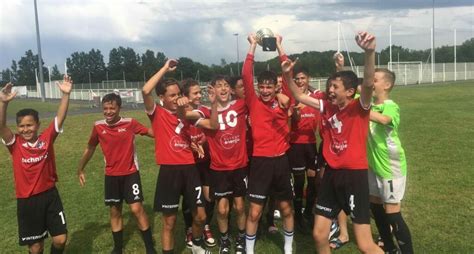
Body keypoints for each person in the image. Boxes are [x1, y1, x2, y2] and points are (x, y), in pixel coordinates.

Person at [282, 31, 383, 254]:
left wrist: (369, 52)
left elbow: (366, 83)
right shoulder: (326, 105)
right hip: (330, 175)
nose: (330, 89)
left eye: (335, 87)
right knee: (319, 234)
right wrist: (288, 76)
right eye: (329, 86)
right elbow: (299, 96)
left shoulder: (359, 107)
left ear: (349, 91)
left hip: (353, 176)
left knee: (365, 244)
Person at [142, 59, 213, 254]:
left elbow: (183, 119)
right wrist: (165, 68)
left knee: (200, 215)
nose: (176, 98)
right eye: (171, 95)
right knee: (169, 222)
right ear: (162, 98)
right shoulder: (156, 113)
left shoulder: (186, 112)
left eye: (178, 94)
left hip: (190, 170)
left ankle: (196, 245)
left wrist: (194, 143)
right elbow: (146, 91)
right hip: (169, 172)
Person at [76, 93, 156, 254]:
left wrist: (160, 120)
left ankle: (149, 247)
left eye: (112, 108)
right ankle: (118, 248)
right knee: (115, 211)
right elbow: (90, 147)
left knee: (136, 209)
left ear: (119, 108)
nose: (108, 111)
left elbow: (152, 133)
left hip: (130, 173)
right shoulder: (98, 126)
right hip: (111, 176)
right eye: (105, 108)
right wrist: (80, 168)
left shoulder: (130, 123)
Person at [0, 76, 72, 254]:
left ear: (38, 125)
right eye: (22, 126)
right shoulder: (15, 144)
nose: (26, 129)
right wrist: (3, 103)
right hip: (27, 201)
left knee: (60, 239)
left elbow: (59, 119)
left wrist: (65, 95)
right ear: (17, 128)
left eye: (30, 125)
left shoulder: (46, 139)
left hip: (50, 196)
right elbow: (1, 126)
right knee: (36, 247)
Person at [178, 75, 248, 254]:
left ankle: (241, 238)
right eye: (219, 86)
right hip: (219, 168)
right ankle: (224, 241)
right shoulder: (206, 111)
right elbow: (185, 115)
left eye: (226, 86)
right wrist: (180, 103)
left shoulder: (241, 105)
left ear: (231, 90)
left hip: (239, 166)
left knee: (240, 206)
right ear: (213, 90)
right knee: (223, 210)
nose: (223, 89)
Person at [243, 33, 295, 254]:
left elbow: (288, 70)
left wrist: (279, 46)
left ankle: (288, 247)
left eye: (268, 87)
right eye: (261, 87)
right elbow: (246, 74)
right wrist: (253, 45)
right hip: (261, 163)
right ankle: (250, 250)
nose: (264, 90)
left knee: (285, 209)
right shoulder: (253, 102)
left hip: (281, 162)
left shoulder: (285, 100)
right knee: (254, 212)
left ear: (276, 87)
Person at [367, 68, 414, 254]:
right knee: (375, 205)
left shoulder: (390, 105)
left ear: (387, 85)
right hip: (373, 165)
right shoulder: (368, 103)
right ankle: (388, 246)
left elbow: (385, 119)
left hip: (390, 166)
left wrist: (363, 110)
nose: (371, 83)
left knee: (392, 213)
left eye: (375, 80)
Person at [179, 79, 216, 249]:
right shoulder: (179, 115)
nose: (199, 95)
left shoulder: (204, 111)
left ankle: (206, 225)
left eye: (200, 92)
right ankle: (189, 228)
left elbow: (214, 129)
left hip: (206, 162)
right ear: (185, 97)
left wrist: (204, 140)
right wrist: (190, 144)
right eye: (195, 93)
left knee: (209, 197)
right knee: (190, 199)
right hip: (189, 164)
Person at [287, 66, 320, 234]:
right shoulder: (291, 98)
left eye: (302, 78)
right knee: (299, 183)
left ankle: (309, 212)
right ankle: (298, 214)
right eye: (297, 79)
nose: (300, 81)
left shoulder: (315, 97)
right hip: (296, 145)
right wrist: (294, 111)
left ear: (308, 79)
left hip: (311, 144)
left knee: (313, 180)